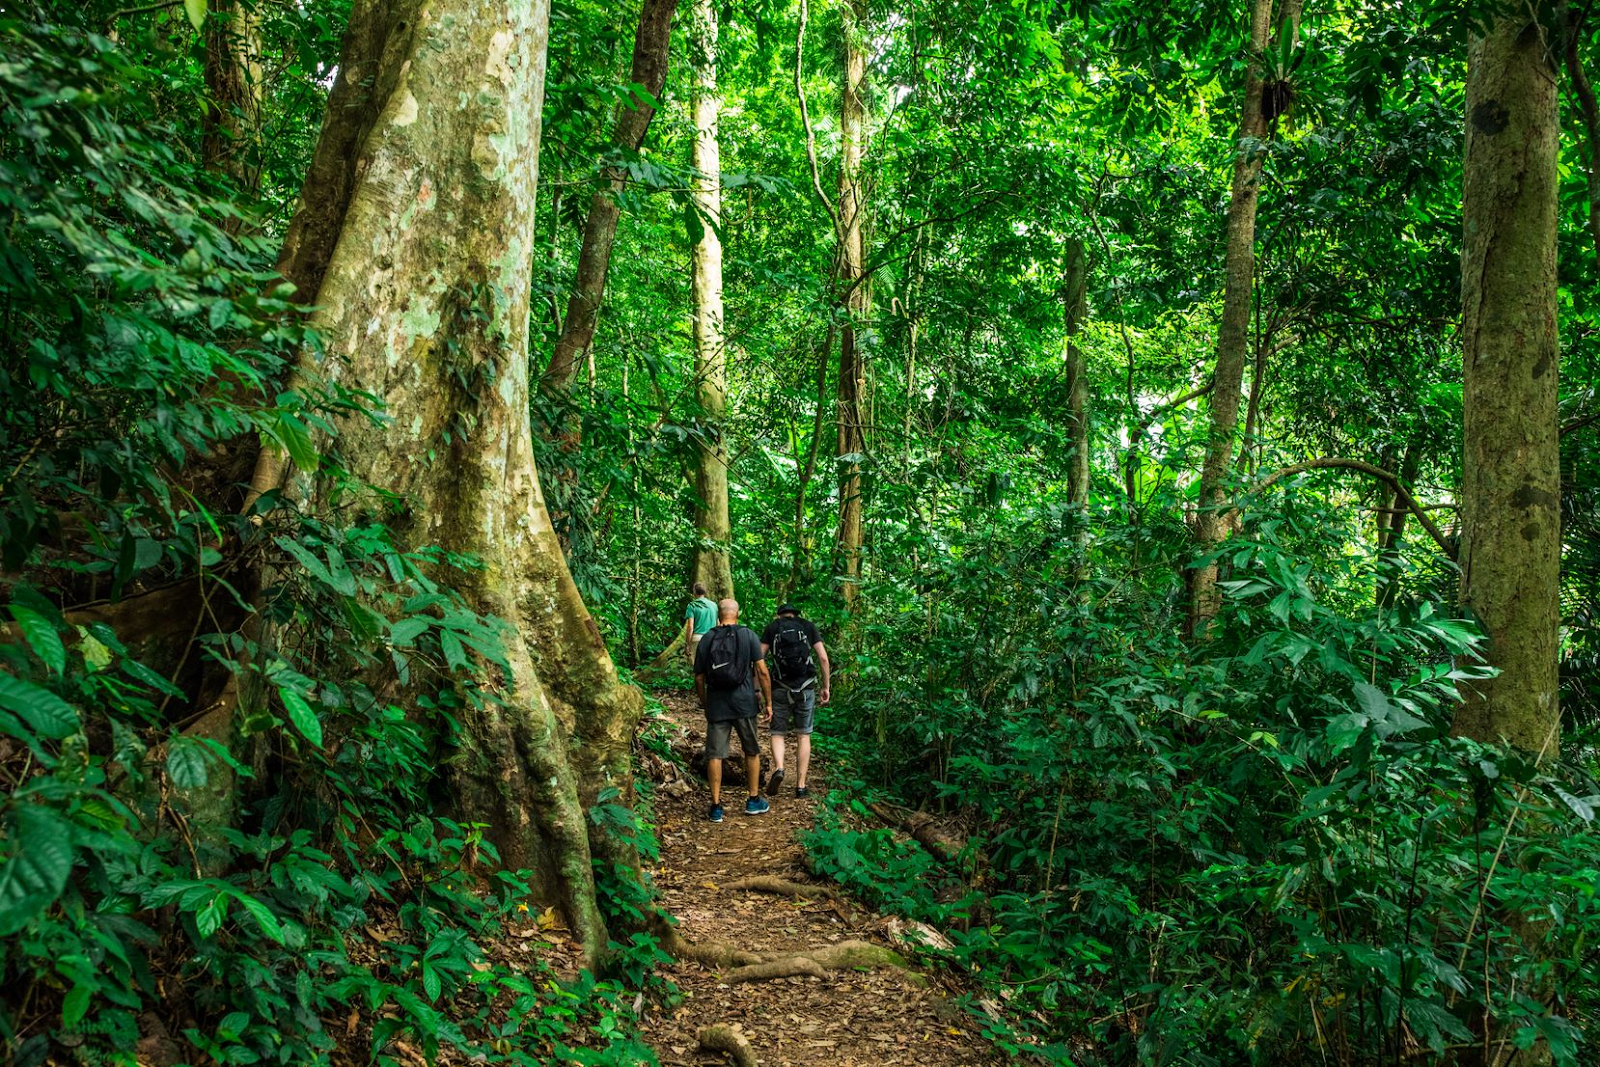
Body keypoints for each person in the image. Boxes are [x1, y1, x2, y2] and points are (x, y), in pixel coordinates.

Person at [694, 598, 772, 821]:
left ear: (719, 615)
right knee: (751, 750)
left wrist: (705, 702)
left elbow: (699, 676)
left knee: (715, 754)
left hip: (718, 704)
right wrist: (768, 703)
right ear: (737, 614)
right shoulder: (748, 635)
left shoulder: (708, 637)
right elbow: (762, 671)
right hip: (744, 702)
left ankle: (717, 806)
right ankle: (753, 799)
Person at [760, 603, 830, 799]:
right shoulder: (807, 626)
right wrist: (826, 687)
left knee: (777, 732)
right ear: (796, 614)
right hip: (806, 687)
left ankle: (780, 768)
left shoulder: (772, 628)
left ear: (779, 615)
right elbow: (823, 658)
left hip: (780, 688)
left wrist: (759, 690)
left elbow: (759, 659)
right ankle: (800, 786)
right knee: (804, 735)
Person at [680, 583, 718, 669]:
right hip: (711, 639)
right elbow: (717, 624)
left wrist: (688, 645)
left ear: (694, 592)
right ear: (705, 592)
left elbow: (690, 627)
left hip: (697, 639)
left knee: (698, 669)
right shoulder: (714, 605)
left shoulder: (692, 605)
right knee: (710, 667)